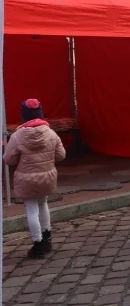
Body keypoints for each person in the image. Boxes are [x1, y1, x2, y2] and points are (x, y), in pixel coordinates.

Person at [3, 99, 66, 258]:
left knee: (31, 210)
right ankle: (48, 238)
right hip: (47, 177)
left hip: (27, 180)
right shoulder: (51, 133)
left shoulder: (17, 136)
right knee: (43, 204)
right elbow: (61, 155)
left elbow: (8, 160)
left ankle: (37, 245)